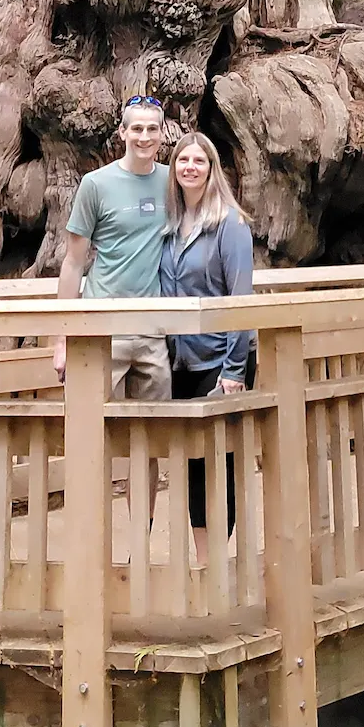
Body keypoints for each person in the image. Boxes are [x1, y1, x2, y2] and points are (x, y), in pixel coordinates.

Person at [160, 132, 255, 563]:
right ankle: (204, 563)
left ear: (212, 168)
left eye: (199, 160)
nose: (190, 167)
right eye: (183, 160)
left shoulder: (230, 225)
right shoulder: (168, 226)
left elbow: (240, 297)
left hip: (220, 360)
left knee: (219, 464)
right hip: (180, 360)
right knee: (190, 465)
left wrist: (235, 370)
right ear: (175, 169)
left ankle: (215, 559)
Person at [53, 94, 171, 398]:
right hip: (103, 327)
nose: (144, 137)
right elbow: (73, 262)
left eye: (152, 129)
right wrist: (63, 340)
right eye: (137, 129)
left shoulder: (172, 182)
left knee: (157, 431)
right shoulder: (96, 184)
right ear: (123, 132)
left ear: (162, 132)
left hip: (152, 330)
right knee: (94, 427)